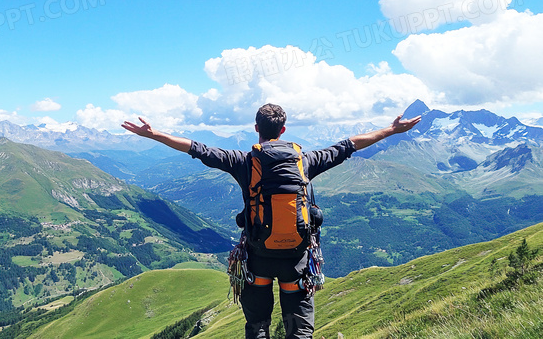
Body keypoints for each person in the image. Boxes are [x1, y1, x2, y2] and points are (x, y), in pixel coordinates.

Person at [122, 103, 421, 339]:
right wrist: (391, 130)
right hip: (297, 261)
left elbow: (196, 148)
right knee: (299, 331)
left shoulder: (244, 161)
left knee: (258, 329)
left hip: (258, 260)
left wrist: (153, 134)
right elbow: (350, 145)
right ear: (284, 128)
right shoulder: (305, 161)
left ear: (256, 129)